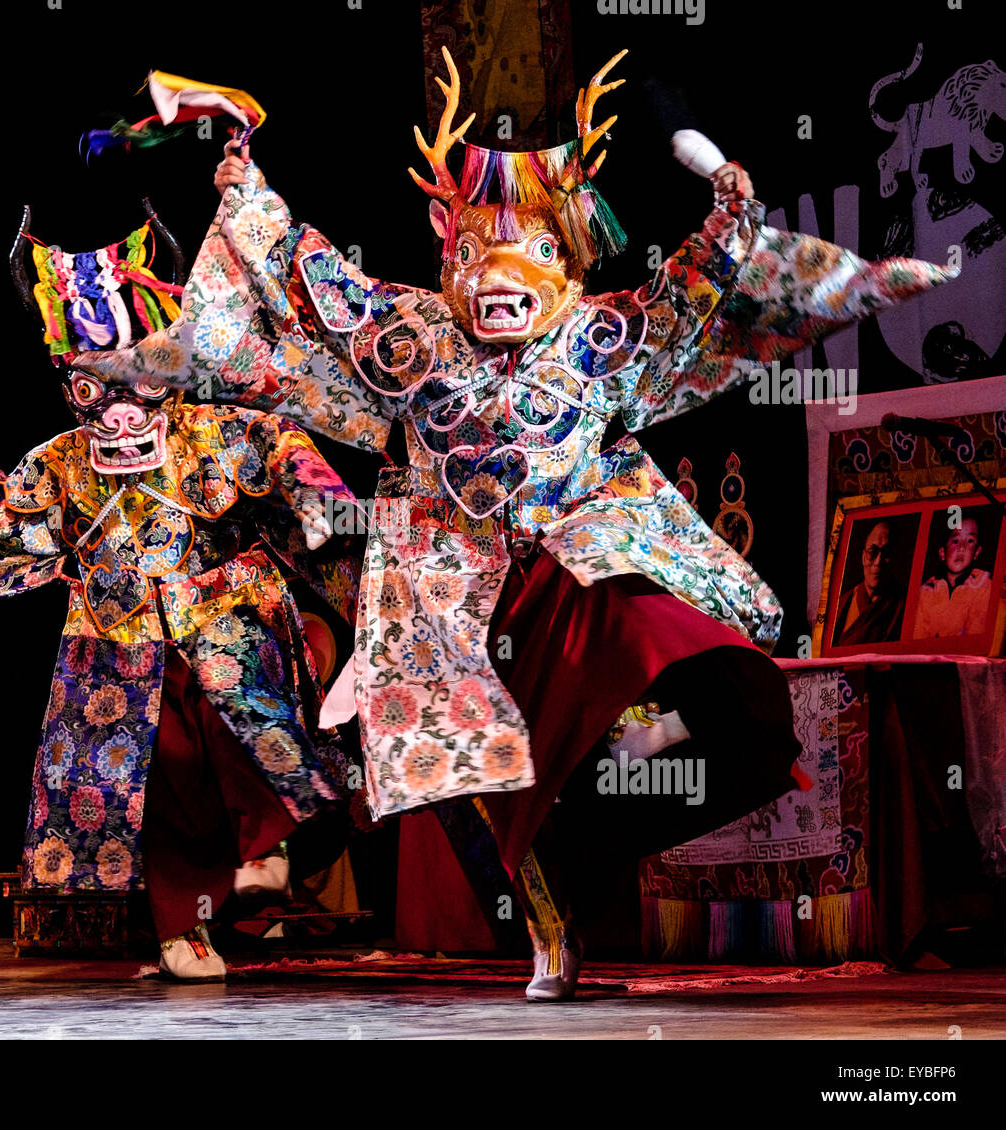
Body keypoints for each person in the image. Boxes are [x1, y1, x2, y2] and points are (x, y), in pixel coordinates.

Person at [75, 54, 958, 999]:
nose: (496, 276)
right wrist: (247, 183)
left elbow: (699, 295)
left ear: (571, 255)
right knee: (510, 784)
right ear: (446, 252)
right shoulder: (407, 334)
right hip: (457, 594)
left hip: (578, 568)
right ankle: (553, 928)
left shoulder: (602, 335)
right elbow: (306, 270)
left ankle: (638, 737)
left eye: (531, 250)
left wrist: (733, 211)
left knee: (695, 664)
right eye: (471, 253)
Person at [0, 213, 360, 982]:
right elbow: (6, 528)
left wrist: (314, 497)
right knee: (159, 777)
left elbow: (286, 461)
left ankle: (264, 850)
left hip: (224, 621)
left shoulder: (215, 433)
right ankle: (186, 928)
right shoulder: (62, 462)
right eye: (93, 390)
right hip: (119, 645)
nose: (116, 412)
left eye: (134, 385)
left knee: (244, 720)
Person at [914, 516, 994, 638]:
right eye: (955, 541)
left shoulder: (984, 587)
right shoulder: (926, 592)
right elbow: (918, 640)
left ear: (976, 552)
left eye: (970, 541)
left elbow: (975, 637)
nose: (962, 548)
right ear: (942, 553)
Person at [834, 520, 907, 645]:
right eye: (873, 552)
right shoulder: (842, 603)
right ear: (863, 557)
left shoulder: (903, 605)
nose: (878, 562)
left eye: (886, 553)